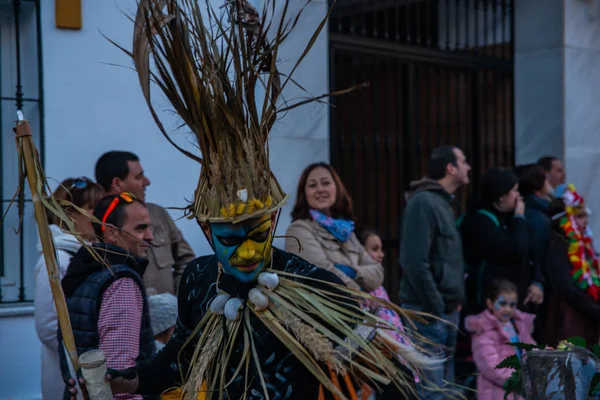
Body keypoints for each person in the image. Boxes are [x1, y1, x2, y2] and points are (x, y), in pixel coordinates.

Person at [64, 1, 436, 399]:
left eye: (257, 232)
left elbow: (387, 375)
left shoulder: (314, 285)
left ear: (274, 221)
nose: (245, 251)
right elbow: (178, 361)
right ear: (206, 230)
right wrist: (126, 380)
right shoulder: (199, 281)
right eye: (228, 237)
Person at [59, 192, 155, 400]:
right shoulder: (120, 282)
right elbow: (119, 372)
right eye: (140, 228)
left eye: (149, 227)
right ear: (112, 233)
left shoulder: (82, 270)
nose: (150, 236)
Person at [399, 145, 470, 399]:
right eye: (463, 161)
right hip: (428, 314)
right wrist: (436, 307)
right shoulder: (423, 203)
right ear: (450, 168)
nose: (468, 166)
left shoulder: (442, 203)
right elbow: (414, 262)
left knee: (445, 390)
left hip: (445, 313)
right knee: (432, 392)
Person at [33, 177, 105, 400]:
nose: (100, 218)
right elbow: (47, 327)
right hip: (70, 378)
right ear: (70, 214)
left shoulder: (92, 254)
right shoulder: (57, 260)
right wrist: (82, 361)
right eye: (93, 210)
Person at [95, 151, 195, 294]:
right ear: (117, 183)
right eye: (138, 177)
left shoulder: (158, 214)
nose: (147, 182)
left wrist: (179, 301)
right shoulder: (93, 225)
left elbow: (186, 261)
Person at [284, 162, 384, 292]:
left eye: (326, 183)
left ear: (337, 188)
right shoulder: (298, 230)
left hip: (355, 308)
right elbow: (321, 273)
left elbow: (378, 273)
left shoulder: (347, 233)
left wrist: (351, 271)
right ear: (304, 193)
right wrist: (359, 292)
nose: (320, 189)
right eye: (312, 185)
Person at [460, 167, 543, 316]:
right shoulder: (480, 222)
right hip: (490, 309)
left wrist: (536, 282)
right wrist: (519, 217)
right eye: (514, 191)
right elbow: (515, 250)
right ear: (501, 197)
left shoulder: (508, 218)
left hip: (516, 302)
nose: (518, 196)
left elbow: (530, 251)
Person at [540, 185, 600, 347]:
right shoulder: (558, 247)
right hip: (569, 317)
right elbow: (566, 286)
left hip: (583, 314)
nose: (585, 221)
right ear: (565, 221)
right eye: (579, 217)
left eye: (585, 215)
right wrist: (595, 309)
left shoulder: (581, 244)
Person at [465, 279, 536, 400]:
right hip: (496, 393)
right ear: (490, 304)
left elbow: (530, 348)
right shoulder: (484, 330)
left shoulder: (518, 325)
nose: (508, 309)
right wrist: (518, 380)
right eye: (502, 304)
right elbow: (491, 366)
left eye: (512, 305)